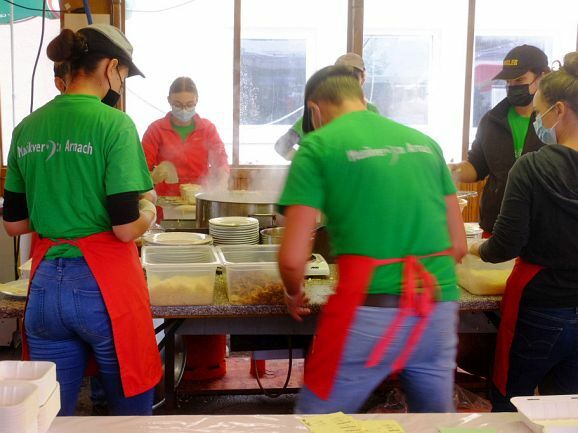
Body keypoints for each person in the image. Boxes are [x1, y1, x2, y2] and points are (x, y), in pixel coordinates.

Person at [278, 65, 467, 413]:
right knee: (434, 423)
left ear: (314, 109)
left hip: (367, 314)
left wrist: (293, 293)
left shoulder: (318, 146)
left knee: (317, 423)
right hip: (436, 311)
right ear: (361, 99)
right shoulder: (426, 144)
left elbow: (292, 259)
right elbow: (458, 245)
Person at [2, 23, 162, 416]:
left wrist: (58, 208)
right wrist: (148, 210)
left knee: (48, 414)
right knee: (129, 416)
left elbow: (15, 224)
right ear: (110, 67)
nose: (121, 83)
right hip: (104, 287)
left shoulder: (26, 128)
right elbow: (124, 228)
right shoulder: (115, 124)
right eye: (124, 74)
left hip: (44, 289)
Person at [469, 52, 578, 412]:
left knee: (511, 402)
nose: (537, 121)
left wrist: (474, 249)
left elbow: (505, 245)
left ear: (559, 110)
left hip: (541, 304)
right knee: (566, 408)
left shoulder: (532, 167)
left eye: (539, 112)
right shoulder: (496, 125)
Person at [449, 45, 550, 236]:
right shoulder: (492, 120)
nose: (512, 87)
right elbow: (477, 166)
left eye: (519, 80)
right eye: (508, 81)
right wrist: (452, 170)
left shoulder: (555, 121)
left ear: (542, 77)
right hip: (497, 226)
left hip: (544, 228)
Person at [274, 52, 380, 160]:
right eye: (342, 79)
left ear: (363, 79)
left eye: (352, 79)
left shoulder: (371, 111)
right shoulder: (319, 110)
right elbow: (282, 146)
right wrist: (310, 162)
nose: (347, 84)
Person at [142, 76, 229, 197]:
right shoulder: (156, 130)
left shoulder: (207, 129)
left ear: (197, 100)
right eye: (178, 105)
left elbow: (220, 161)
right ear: (169, 100)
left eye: (189, 105)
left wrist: (222, 182)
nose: (184, 110)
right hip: (165, 199)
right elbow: (143, 167)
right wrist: (155, 175)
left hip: (200, 198)